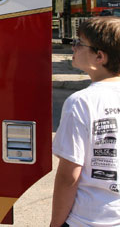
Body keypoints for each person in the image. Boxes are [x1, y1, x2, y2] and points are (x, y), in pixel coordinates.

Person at [51, 16, 120, 227]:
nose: (73, 47)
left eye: (79, 43)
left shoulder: (81, 102)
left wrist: (55, 224)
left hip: (90, 219)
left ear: (100, 56)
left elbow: (69, 177)